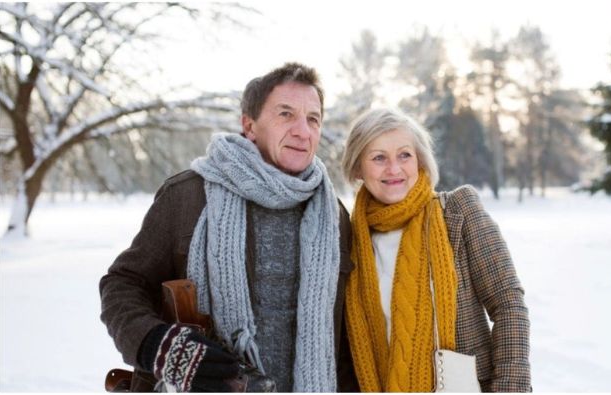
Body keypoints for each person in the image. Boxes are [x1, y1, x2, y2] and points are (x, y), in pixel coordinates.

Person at [99, 62, 358, 392]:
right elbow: (122, 283)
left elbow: (347, 339)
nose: (302, 131)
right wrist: (158, 346)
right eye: (285, 114)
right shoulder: (188, 196)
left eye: (313, 119)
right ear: (249, 126)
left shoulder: (332, 215)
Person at [341, 107, 531, 392]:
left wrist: (509, 389)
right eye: (379, 157)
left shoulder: (457, 212)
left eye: (405, 155)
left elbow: (508, 303)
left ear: (420, 160)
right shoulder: (348, 237)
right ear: (358, 167)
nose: (394, 169)